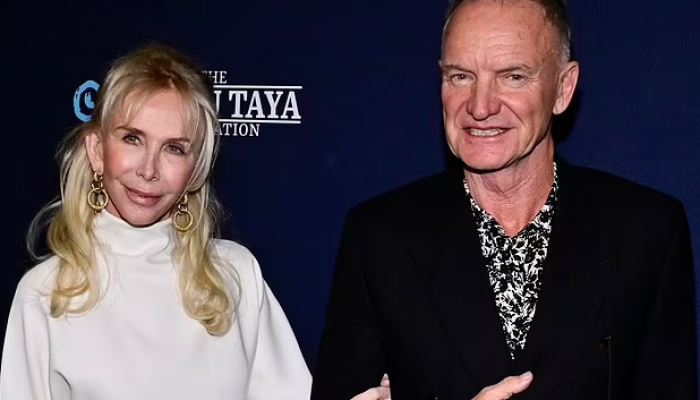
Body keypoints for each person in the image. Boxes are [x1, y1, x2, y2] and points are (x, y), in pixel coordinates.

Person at [310, 0, 698, 399]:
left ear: (563, 89)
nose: (480, 106)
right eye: (461, 76)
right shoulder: (380, 237)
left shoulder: (646, 231)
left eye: (513, 76)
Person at [0, 43, 389, 400]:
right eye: (133, 138)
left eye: (174, 148)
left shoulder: (235, 274)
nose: (149, 170)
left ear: (197, 169)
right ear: (97, 150)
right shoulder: (45, 294)